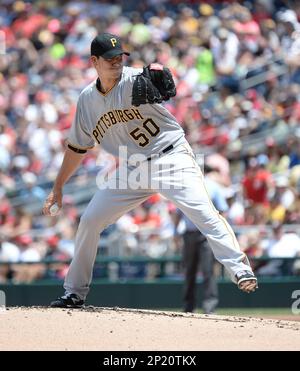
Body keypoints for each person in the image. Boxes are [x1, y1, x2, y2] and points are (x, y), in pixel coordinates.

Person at [43, 33, 257, 308]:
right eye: (110, 59)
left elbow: (158, 77)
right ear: (94, 61)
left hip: (171, 158)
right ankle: (74, 292)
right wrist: (58, 186)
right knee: (90, 221)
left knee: (204, 213)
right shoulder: (87, 101)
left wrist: (158, 75)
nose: (117, 62)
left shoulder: (134, 80)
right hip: (132, 168)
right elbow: (76, 148)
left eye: (120, 57)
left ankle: (240, 269)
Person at [176, 165, 229, 314]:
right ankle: (188, 307)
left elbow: (222, 211)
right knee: (189, 272)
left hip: (206, 235)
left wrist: (218, 234)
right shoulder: (184, 186)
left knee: (208, 271)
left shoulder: (212, 186)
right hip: (189, 233)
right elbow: (178, 211)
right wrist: (175, 232)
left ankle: (209, 308)